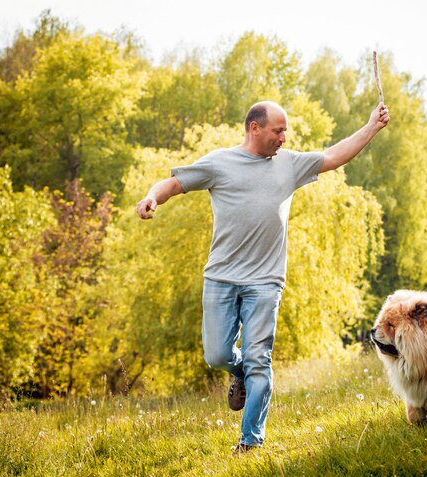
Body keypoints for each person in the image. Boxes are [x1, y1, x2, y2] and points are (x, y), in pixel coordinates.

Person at [136, 100, 389, 452]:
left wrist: (371, 127)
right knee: (218, 355)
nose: (284, 137)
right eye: (278, 130)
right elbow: (175, 184)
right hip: (221, 277)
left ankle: (250, 441)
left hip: (266, 281)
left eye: (285, 130)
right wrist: (151, 197)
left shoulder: (289, 165)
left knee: (260, 358)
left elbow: (334, 156)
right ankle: (237, 373)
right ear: (254, 128)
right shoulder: (220, 163)